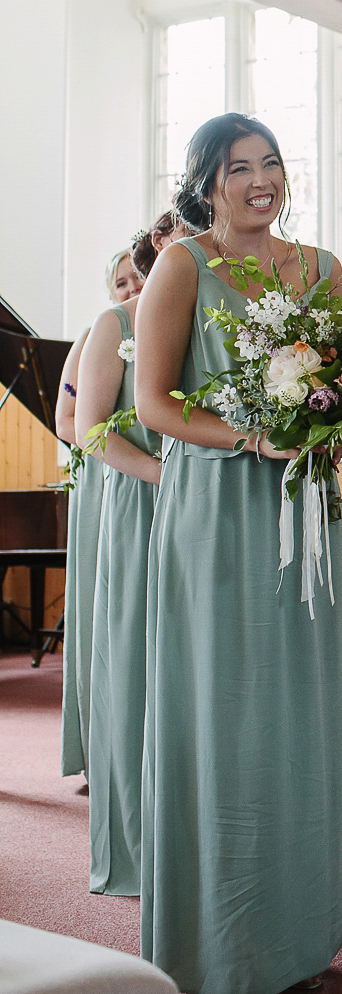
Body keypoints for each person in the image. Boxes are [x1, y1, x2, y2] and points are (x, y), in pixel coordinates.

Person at [134, 114, 342, 994]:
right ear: (207, 183)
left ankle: (300, 927)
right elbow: (153, 403)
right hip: (220, 510)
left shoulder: (324, 271)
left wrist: (334, 424)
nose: (259, 180)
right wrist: (248, 436)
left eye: (271, 162)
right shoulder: (183, 266)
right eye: (239, 168)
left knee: (298, 712)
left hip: (304, 505)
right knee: (226, 711)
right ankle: (220, 941)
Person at [75, 280, 161, 894]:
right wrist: (165, 475)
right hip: (139, 499)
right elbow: (88, 427)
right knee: (134, 662)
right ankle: (136, 837)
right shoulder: (116, 325)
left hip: (211, 502)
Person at [57, 248, 144, 779]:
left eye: (138, 276)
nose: (132, 287)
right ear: (110, 292)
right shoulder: (98, 336)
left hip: (149, 478)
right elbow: (70, 419)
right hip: (106, 478)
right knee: (102, 610)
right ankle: (99, 750)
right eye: (121, 282)